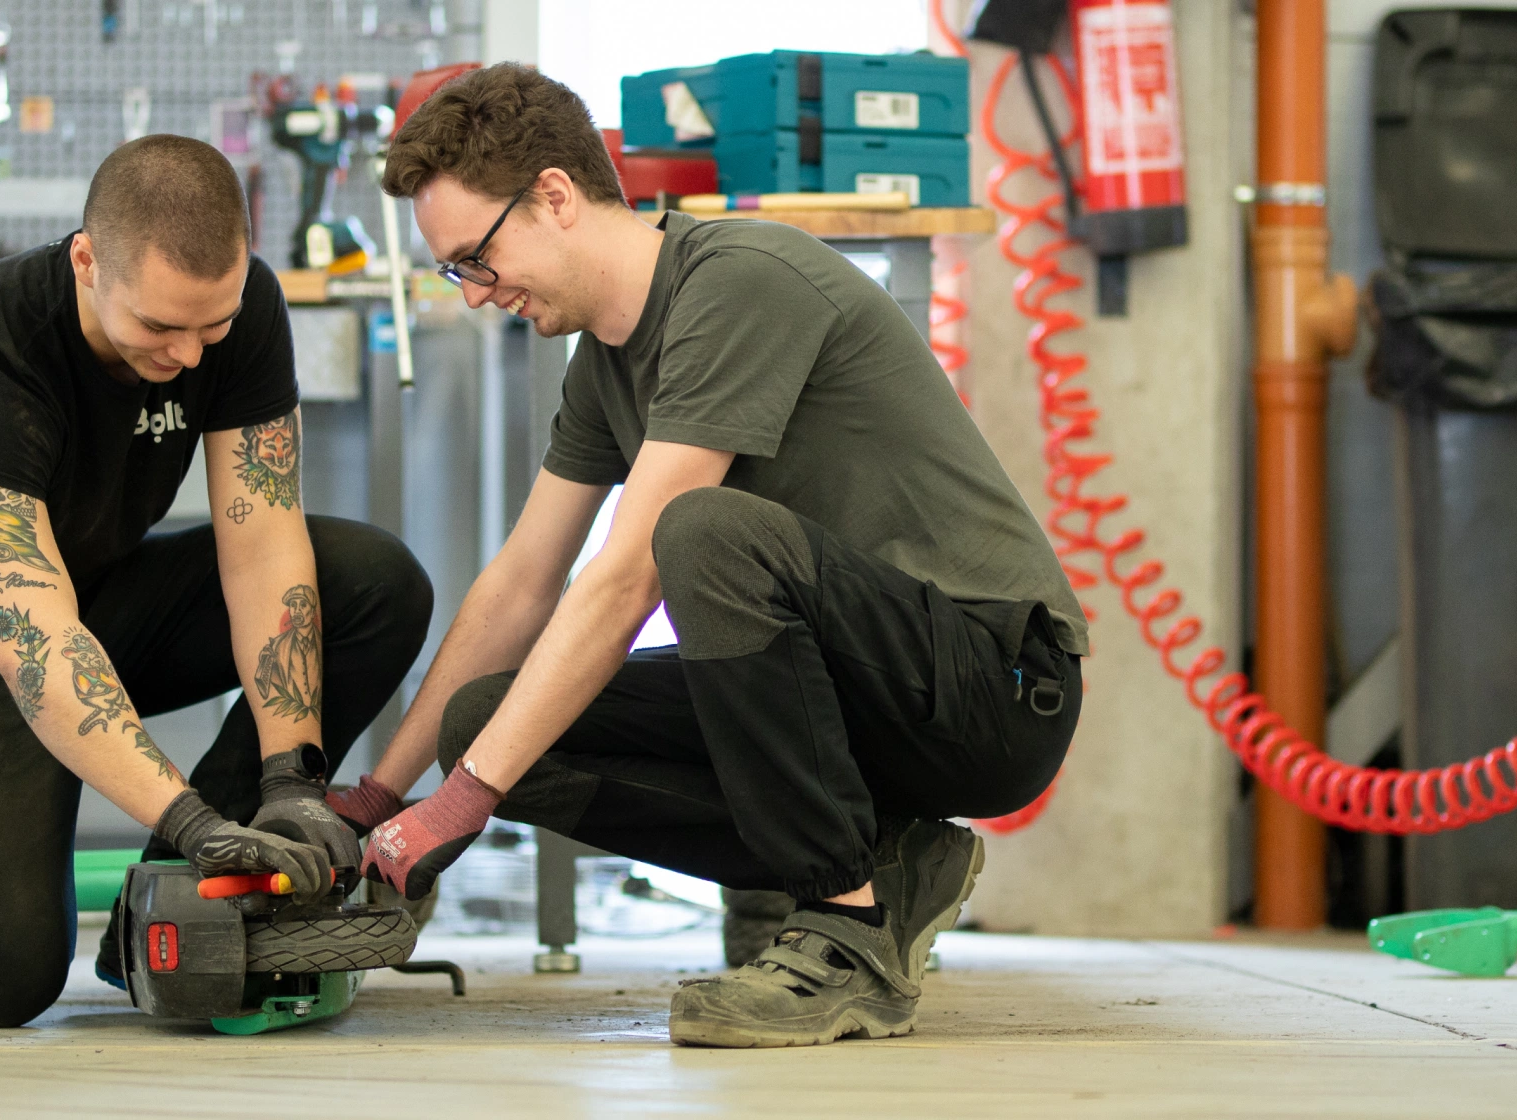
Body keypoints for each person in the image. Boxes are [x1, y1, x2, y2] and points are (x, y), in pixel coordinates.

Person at [355, 64, 1086, 1048]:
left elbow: (622, 580)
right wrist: (384, 795)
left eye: (474, 261)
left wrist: (463, 802)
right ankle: (887, 856)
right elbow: (520, 586)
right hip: (858, 697)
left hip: (989, 683)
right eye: (457, 274)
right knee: (487, 721)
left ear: (555, 196)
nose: (479, 296)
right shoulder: (605, 364)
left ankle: (850, 926)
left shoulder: (738, 279)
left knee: (697, 532)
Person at [0, 134, 434, 1029]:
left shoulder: (242, 311)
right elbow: (38, 644)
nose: (192, 356)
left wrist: (290, 780)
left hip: (98, 591)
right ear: (87, 261)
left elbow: (264, 545)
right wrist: (199, 817)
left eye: (214, 326)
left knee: (372, 582)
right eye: (160, 328)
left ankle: (163, 908)